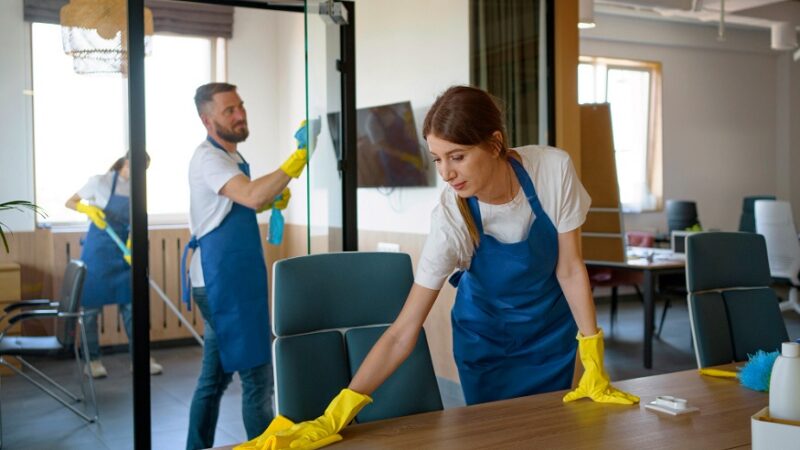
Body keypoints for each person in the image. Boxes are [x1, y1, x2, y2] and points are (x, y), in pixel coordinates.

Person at [241, 85, 639, 449]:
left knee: (558, 435)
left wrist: (593, 354)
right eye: (437, 159)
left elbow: (569, 269)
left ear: (495, 143)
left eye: (458, 157)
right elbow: (402, 332)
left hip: (552, 338)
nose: (446, 173)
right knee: (500, 439)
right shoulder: (452, 220)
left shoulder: (552, 171)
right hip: (488, 346)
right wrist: (337, 413)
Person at [182, 82, 307, 450]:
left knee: (214, 379)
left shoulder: (231, 158)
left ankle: (195, 446)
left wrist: (272, 199)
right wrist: (296, 159)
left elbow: (234, 206)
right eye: (229, 111)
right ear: (207, 120)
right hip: (222, 282)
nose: (240, 115)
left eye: (240, 106)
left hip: (231, 278)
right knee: (257, 376)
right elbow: (251, 195)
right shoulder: (210, 158)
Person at [66, 154, 163, 379]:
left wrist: (133, 242)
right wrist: (87, 210)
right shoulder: (100, 181)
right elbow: (70, 201)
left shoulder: (138, 189)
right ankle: (93, 361)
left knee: (132, 307)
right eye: (138, 168)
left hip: (124, 252)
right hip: (98, 250)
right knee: (90, 310)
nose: (141, 175)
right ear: (126, 162)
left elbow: (137, 219)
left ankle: (140, 359)